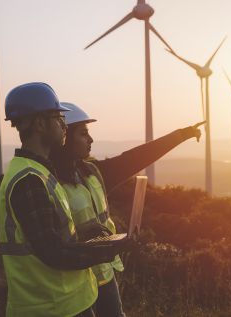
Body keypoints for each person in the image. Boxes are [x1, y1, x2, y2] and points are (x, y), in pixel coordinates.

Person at [49, 102, 204, 317]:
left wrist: (181, 135)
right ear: (65, 138)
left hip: (104, 273)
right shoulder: (49, 183)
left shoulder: (93, 173)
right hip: (76, 282)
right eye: (83, 134)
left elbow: (137, 157)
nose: (90, 139)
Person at [0, 83, 127, 317]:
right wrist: (108, 250)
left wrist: (86, 232)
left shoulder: (40, 173)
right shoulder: (29, 180)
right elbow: (53, 252)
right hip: (52, 307)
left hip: (67, 303)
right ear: (39, 124)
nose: (63, 126)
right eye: (58, 118)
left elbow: (53, 236)